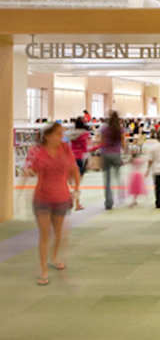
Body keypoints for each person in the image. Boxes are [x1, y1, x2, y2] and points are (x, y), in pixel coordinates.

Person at [24, 123, 81, 285]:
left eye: (62, 133)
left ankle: (54, 257)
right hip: (42, 198)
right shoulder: (37, 152)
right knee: (44, 235)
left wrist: (76, 191)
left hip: (62, 197)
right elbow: (32, 169)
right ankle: (43, 270)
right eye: (58, 134)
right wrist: (28, 172)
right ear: (48, 136)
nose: (61, 137)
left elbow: (74, 169)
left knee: (58, 233)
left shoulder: (65, 149)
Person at [99, 111, 126, 210]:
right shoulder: (120, 129)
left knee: (107, 180)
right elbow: (123, 143)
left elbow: (101, 142)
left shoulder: (104, 128)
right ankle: (121, 196)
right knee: (118, 176)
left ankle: (108, 203)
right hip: (116, 154)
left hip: (105, 154)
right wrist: (125, 153)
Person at [69, 117, 90, 210]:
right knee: (77, 184)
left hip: (69, 158)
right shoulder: (85, 134)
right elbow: (85, 148)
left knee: (70, 182)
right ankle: (77, 204)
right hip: (79, 159)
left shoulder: (70, 133)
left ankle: (70, 200)